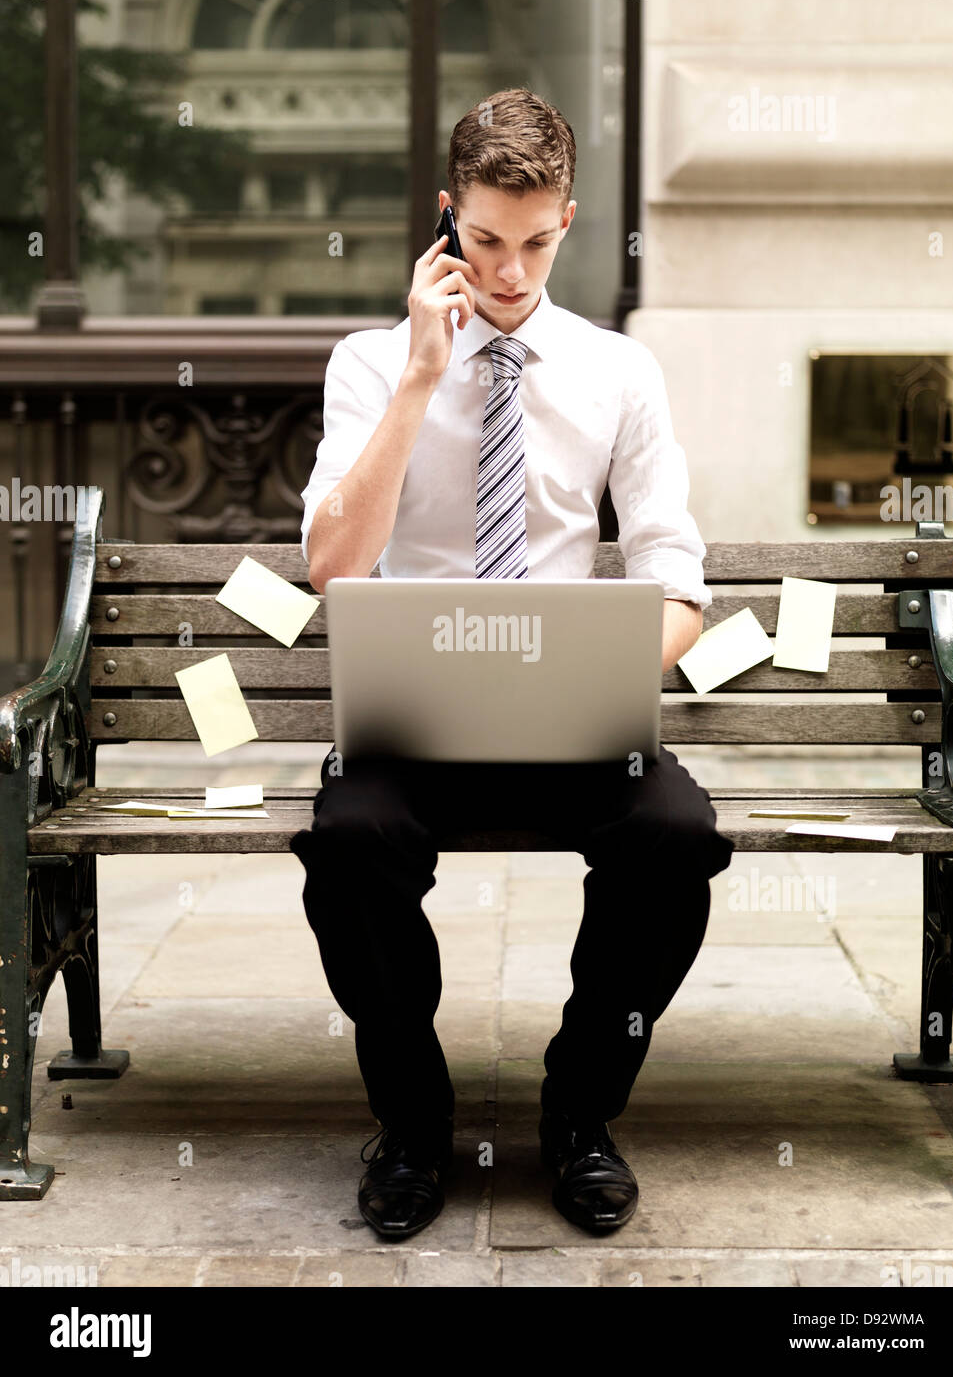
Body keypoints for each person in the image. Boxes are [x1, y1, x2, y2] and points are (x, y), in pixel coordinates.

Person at [290, 87, 734, 1242]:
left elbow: (675, 571)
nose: (507, 268)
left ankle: (581, 1114)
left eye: (534, 241)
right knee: (346, 844)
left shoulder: (614, 371)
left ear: (568, 221)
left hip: (567, 729)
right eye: (483, 239)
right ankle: (413, 1125)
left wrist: (612, 671)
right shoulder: (368, 363)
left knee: (677, 835)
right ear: (446, 219)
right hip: (412, 730)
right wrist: (421, 379)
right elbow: (334, 567)